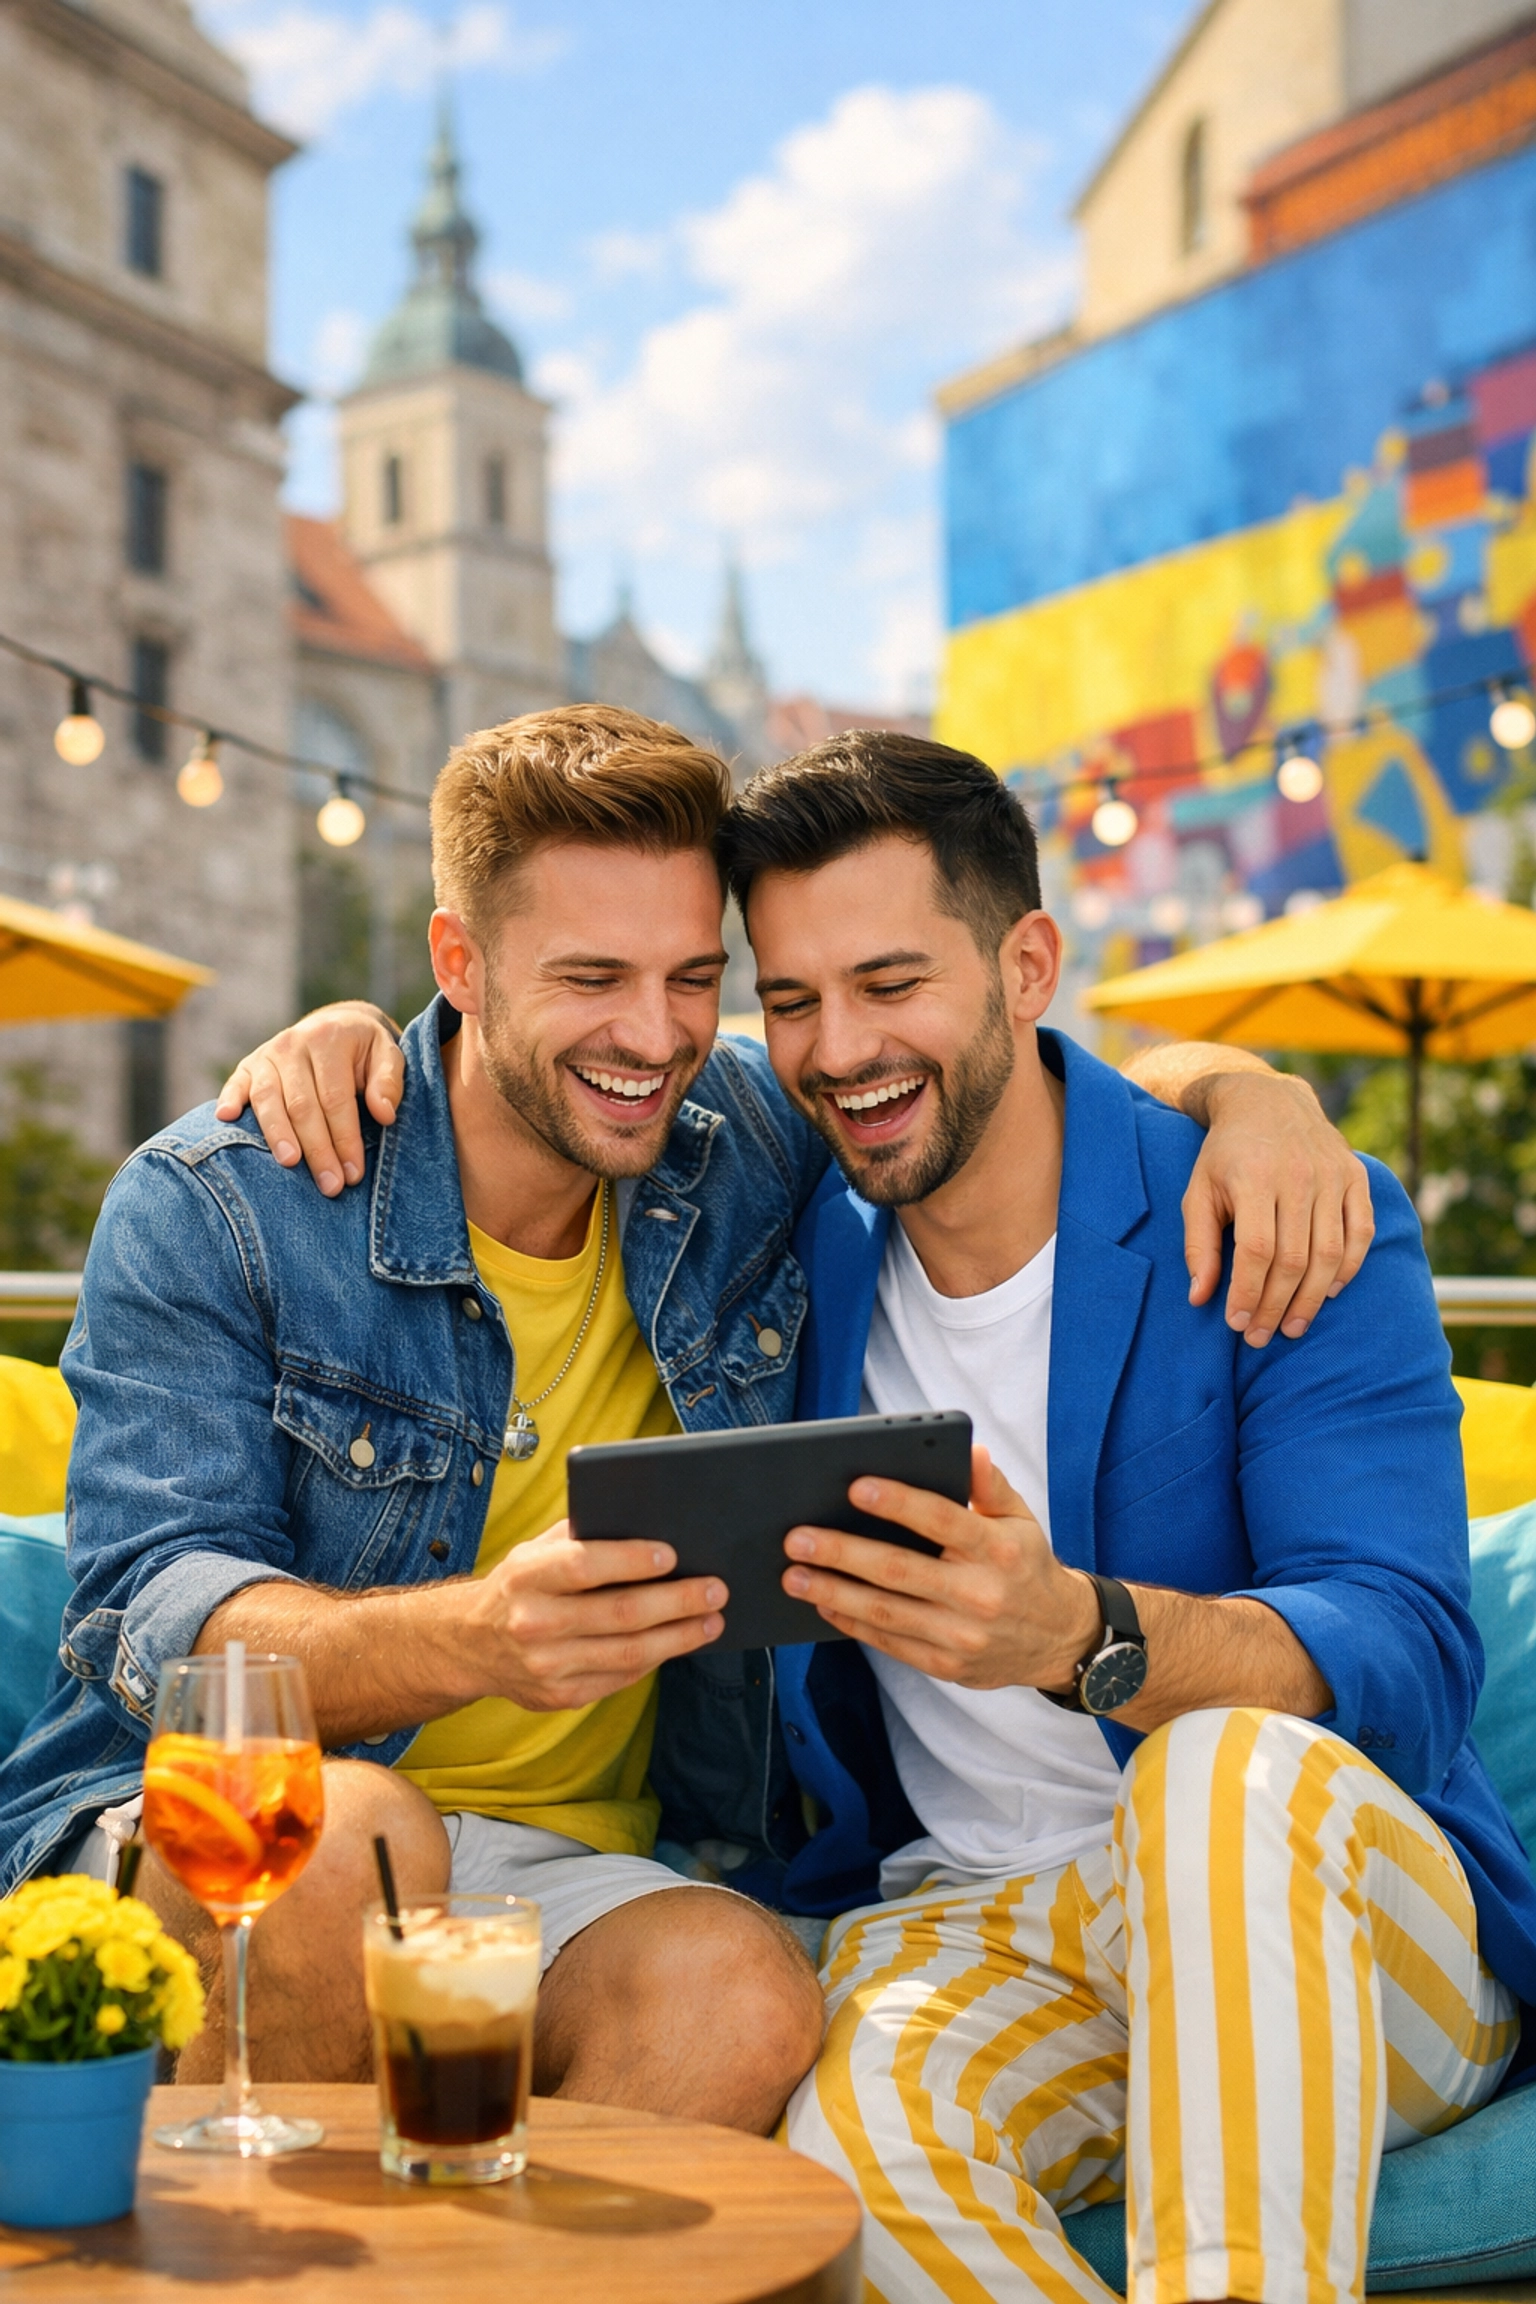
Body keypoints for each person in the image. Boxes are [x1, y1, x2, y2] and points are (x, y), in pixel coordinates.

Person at [0, 704, 1364, 2130]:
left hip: (588, 1868)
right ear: (458, 962)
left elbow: (991, 1073)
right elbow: (163, 1621)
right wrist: (477, 1639)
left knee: (745, 1995)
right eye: (590, 977)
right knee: (354, 1844)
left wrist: (1251, 1096)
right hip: (228, 1829)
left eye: (695, 978)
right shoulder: (228, 1199)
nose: (651, 1038)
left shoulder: (733, 1144)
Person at [688, 732, 1533, 2304]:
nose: (838, 1048)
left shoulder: (1272, 1218)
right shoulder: (783, 1231)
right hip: (979, 1927)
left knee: (1215, 1771)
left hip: (1331, 1907)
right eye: (790, 999)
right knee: (848, 2166)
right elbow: (546, 1050)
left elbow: (1410, 1658)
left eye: (890, 983)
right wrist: (338, 1039)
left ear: (1028, 966)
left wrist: (1082, 1633)